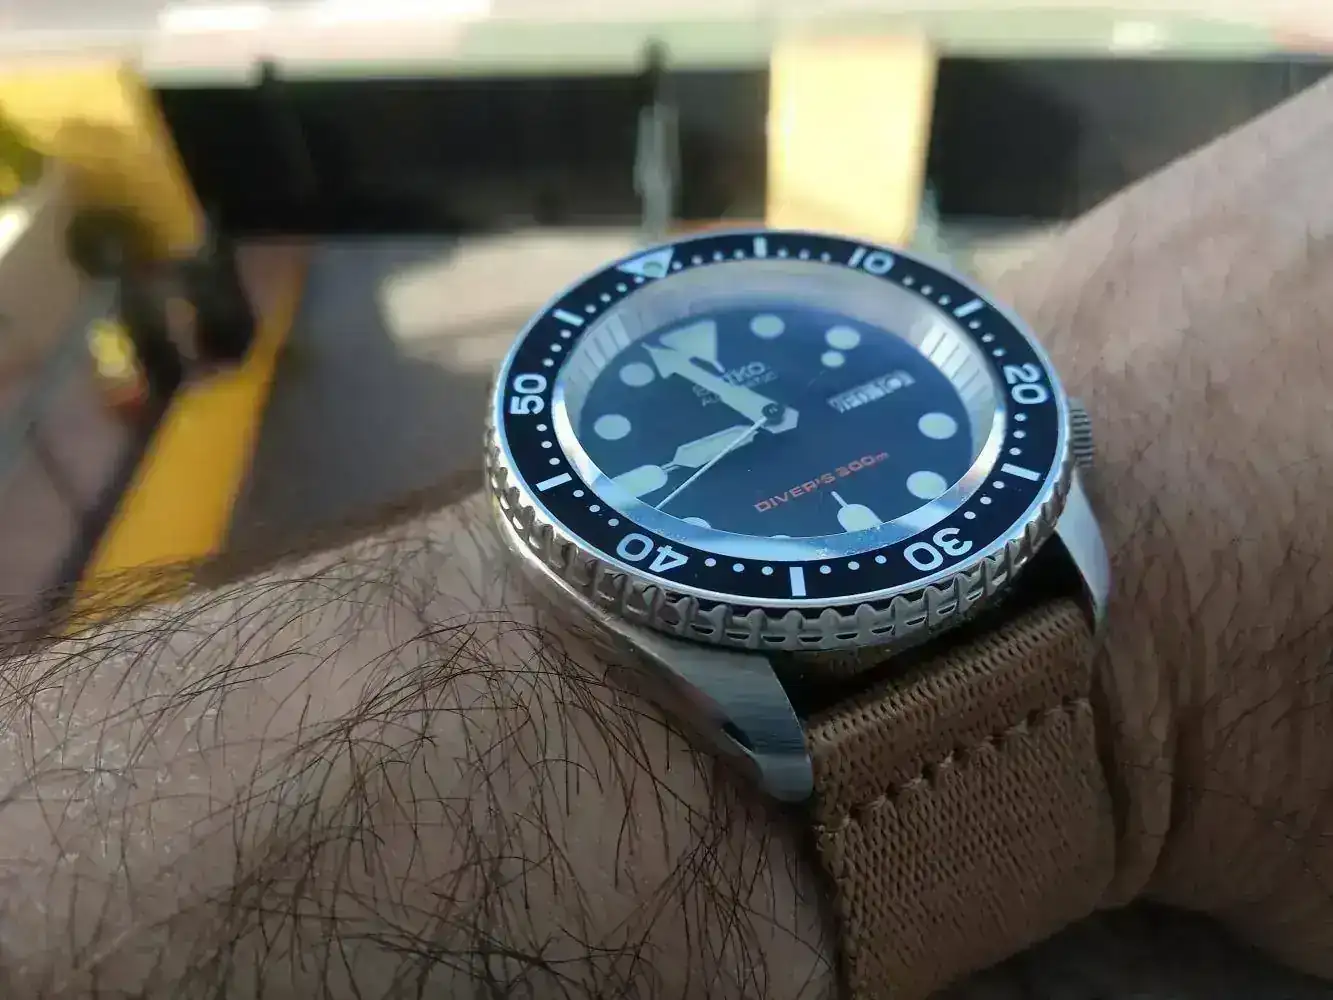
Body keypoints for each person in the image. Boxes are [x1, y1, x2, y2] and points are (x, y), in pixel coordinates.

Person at [3, 70, 1333, 1000]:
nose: (774, 416)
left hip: (1017, 552)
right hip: (773, 659)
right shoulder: (758, 716)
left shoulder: (1047, 508)